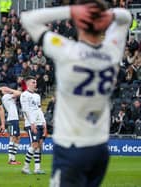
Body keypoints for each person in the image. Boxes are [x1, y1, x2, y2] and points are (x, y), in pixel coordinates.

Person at [21, 0, 131, 186]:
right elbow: (125, 17)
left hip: (71, 147)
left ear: (78, 22)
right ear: (104, 24)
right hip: (99, 148)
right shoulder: (112, 51)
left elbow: (28, 19)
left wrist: (72, 10)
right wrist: (109, 15)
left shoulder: (66, 51)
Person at [20, 76, 47, 174]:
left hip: (39, 122)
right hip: (31, 124)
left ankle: (37, 168)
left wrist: (44, 123)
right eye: (33, 82)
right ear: (27, 84)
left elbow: (39, 110)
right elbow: (25, 110)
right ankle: (25, 167)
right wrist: (32, 123)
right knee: (34, 144)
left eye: (35, 82)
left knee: (39, 145)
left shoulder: (37, 96)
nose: (35, 84)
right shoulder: (24, 95)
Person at [0, 86, 22, 165]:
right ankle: (11, 159)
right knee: (12, 137)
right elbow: (19, 93)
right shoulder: (5, 96)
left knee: (18, 138)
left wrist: (9, 90)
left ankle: (13, 158)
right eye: (3, 89)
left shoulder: (9, 97)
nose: (6, 89)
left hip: (15, 119)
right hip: (12, 119)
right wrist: (10, 90)